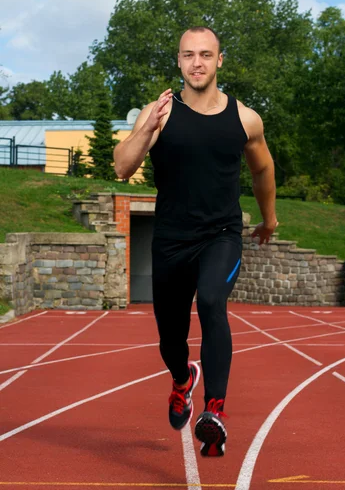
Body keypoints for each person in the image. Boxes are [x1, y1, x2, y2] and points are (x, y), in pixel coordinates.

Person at [114, 26, 278, 457]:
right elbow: (122, 168)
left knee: (211, 302)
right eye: (189, 55)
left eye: (206, 54)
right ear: (180, 61)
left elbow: (263, 170)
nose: (198, 62)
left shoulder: (245, 119)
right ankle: (182, 378)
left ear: (220, 60)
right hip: (170, 239)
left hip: (220, 235)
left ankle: (215, 412)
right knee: (170, 336)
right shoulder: (161, 111)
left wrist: (269, 219)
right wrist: (146, 128)